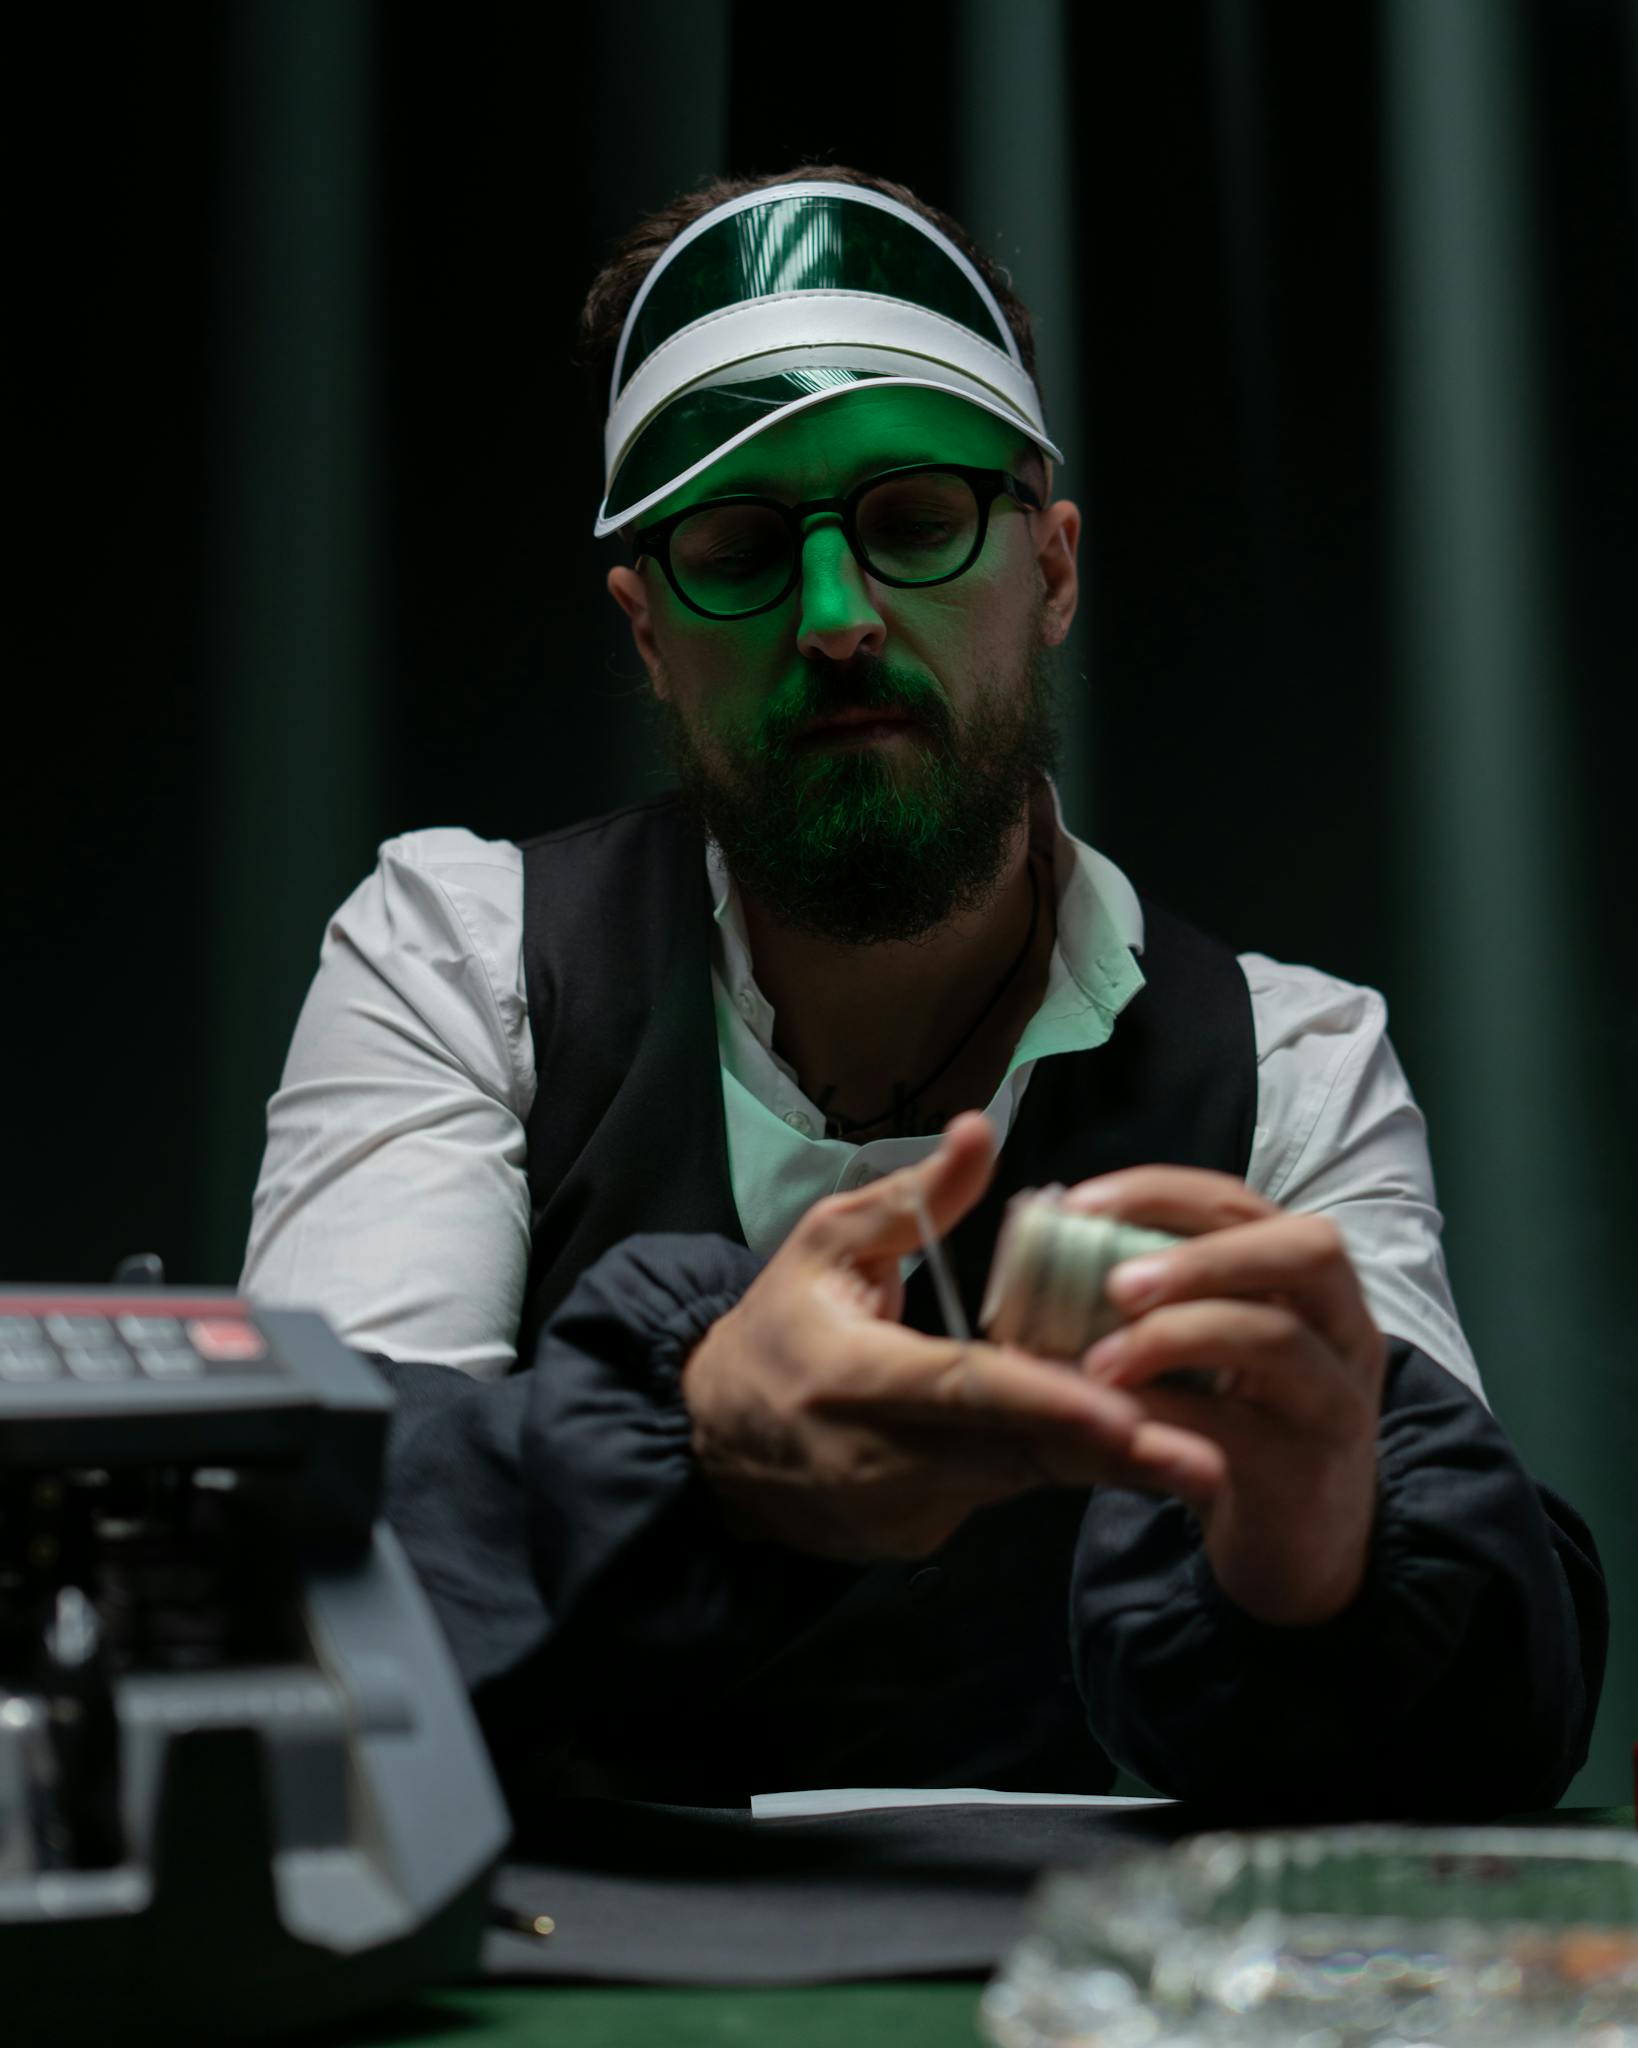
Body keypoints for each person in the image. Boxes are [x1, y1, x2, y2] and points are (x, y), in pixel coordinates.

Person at [241, 166, 1606, 1818]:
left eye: (910, 522)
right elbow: (299, 1564)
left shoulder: (1291, 1065)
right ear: (647, 630)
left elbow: (1485, 1731)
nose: (833, 620)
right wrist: (697, 1452)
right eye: (741, 547)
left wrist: (1315, 1558)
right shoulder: (456, 958)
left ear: (1051, 568)